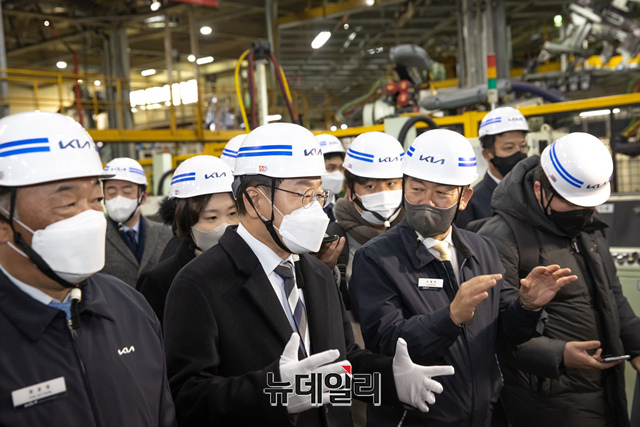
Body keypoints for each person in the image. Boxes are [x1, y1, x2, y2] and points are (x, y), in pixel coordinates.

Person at [163, 122, 456, 426]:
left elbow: (342, 365)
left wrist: (390, 381)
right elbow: (187, 398)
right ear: (254, 200)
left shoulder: (317, 273)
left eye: (318, 195)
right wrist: (275, 393)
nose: (315, 210)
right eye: (303, 194)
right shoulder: (200, 284)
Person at [349, 128, 578, 426]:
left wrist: (527, 306)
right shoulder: (376, 258)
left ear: (464, 197)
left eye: (441, 193)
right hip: (415, 418)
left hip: (482, 414)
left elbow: (504, 335)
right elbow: (386, 343)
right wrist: (450, 318)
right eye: (416, 189)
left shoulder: (481, 248)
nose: (426, 202)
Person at [0, 111, 176, 426]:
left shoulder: (130, 309)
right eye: (67, 204)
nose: (89, 219)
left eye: (96, 200)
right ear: (3, 224)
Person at [477, 132, 640, 427]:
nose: (580, 213)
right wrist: (559, 354)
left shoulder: (588, 228)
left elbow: (612, 296)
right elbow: (490, 332)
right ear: (539, 188)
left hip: (605, 384)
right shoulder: (501, 238)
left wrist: (637, 345)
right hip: (546, 396)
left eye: (587, 205)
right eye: (570, 202)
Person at [136, 155, 238, 326]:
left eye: (232, 214)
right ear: (185, 221)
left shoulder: (253, 267)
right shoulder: (160, 282)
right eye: (212, 217)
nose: (225, 226)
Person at [327, 131, 405, 292]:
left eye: (391, 184)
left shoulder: (419, 233)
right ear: (350, 193)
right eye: (370, 186)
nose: (383, 193)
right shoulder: (334, 242)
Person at [100, 157, 172, 287]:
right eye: (111, 192)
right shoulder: (94, 236)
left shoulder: (166, 234)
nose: (118, 198)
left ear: (143, 197)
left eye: (127, 192)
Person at [455, 107, 529, 229]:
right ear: (487, 154)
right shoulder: (471, 203)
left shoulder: (534, 192)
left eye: (523, 146)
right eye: (509, 148)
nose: (518, 153)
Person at [317, 133, 346, 222]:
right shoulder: (305, 210)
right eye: (331, 168)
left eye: (340, 168)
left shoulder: (344, 206)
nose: (338, 174)